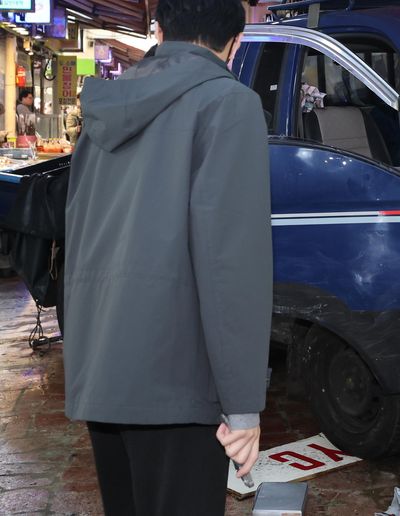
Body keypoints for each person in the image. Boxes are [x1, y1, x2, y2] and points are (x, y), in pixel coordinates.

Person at [64, 0, 272, 514]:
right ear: (235, 43)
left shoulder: (104, 108)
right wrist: (244, 407)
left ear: (161, 29)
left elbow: (77, 237)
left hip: (103, 376)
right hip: (177, 385)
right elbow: (231, 265)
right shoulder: (229, 104)